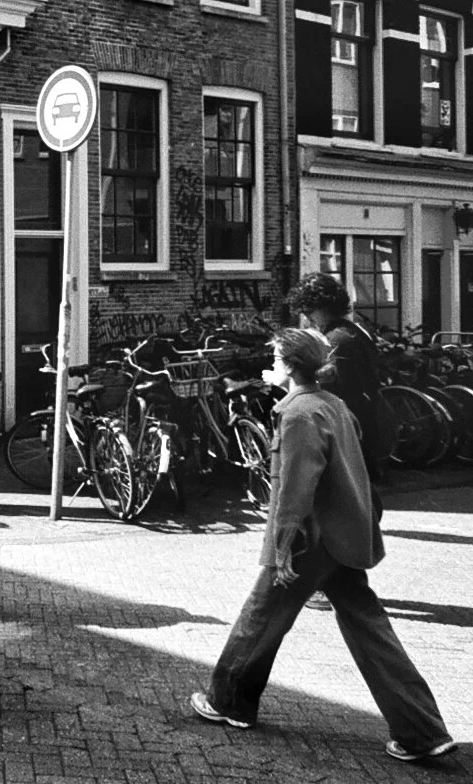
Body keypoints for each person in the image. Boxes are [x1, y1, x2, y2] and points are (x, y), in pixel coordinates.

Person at [189, 329, 457, 764]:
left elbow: (293, 489)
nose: (269, 363)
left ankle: (227, 702)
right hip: (343, 537)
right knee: (371, 631)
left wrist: (281, 548)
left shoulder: (296, 415)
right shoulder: (334, 405)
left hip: (310, 541)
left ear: (291, 365)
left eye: (274, 357)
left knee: (260, 616)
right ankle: (421, 730)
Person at [285, 273, 382, 479]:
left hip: (350, 426)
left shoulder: (336, 340)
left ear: (323, 307)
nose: (306, 316)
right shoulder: (352, 331)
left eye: (309, 310)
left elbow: (331, 386)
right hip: (365, 420)